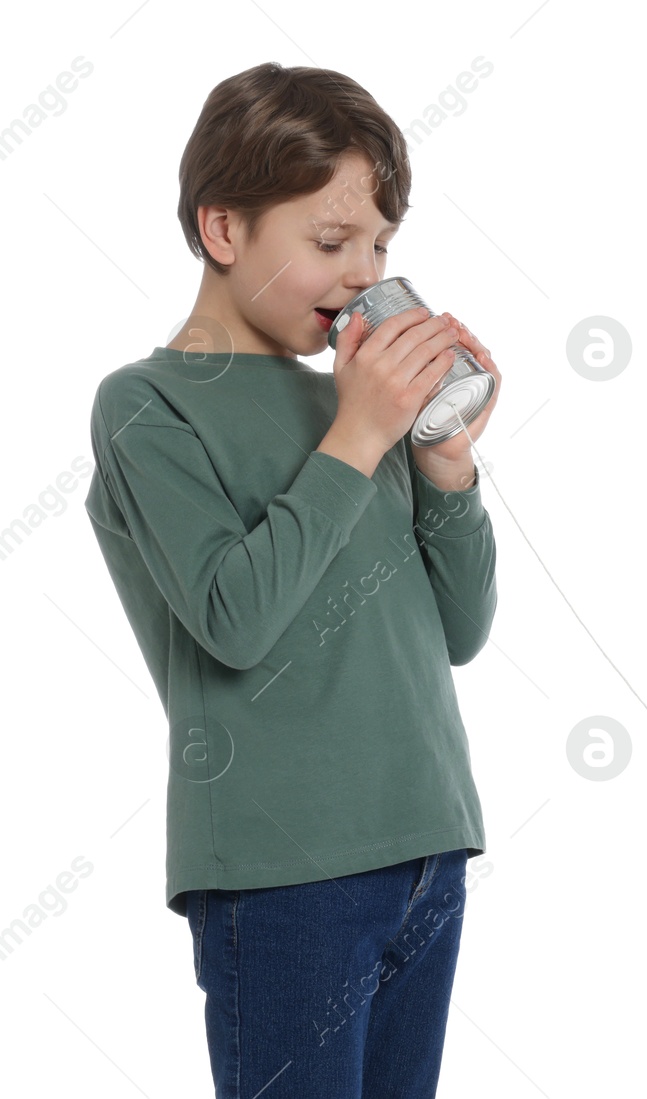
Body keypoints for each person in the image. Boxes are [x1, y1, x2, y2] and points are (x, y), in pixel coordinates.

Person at [82, 62, 503, 1097]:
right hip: (285, 870)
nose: (363, 273)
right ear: (223, 231)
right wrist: (359, 435)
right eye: (328, 243)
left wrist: (445, 468)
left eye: (378, 246)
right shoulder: (147, 407)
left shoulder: (356, 406)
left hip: (428, 841)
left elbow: (459, 626)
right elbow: (234, 617)